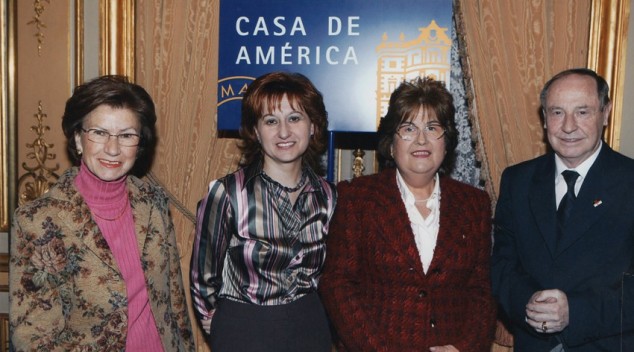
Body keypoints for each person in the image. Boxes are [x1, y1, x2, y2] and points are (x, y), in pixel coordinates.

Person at [9, 75, 194, 351]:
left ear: (139, 144)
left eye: (126, 135)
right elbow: (33, 339)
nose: (113, 148)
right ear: (78, 139)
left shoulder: (153, 202)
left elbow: (175, 305)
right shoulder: (37, 221)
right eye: (99, 132)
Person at [319, 76, 496, 351]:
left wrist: (465, 347)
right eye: (409, 128)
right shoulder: (357, 198)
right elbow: (337, 284)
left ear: (446, 142)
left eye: (433, 127)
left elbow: (481, 290)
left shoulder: (474, 204)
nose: (421, 139)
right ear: (391, 144)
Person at [190, 71, 337, 352]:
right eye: (271, 121)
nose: (284, 132)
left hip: (310, 327)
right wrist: (218, 322)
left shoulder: (328, 196)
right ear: (256, 131)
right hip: (245, 330)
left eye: (295, 118)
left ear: (313, 126)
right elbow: (203, 276)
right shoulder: (228, 193)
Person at [491, 68, 634, 351]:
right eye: (557, 112)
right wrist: (528, 304)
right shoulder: (517, 181)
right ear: (544, 118)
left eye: (582, 112)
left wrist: (576, 312)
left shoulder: (629, 181)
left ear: (605, 114)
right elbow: (503, 266)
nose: (568, 126)